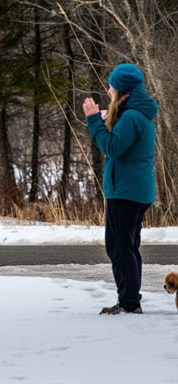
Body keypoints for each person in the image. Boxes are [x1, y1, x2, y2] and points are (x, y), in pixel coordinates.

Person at [82, 63, 158, 314]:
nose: (108, 89)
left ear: (122, 91)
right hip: (135, 190)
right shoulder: (136, 114)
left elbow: (113, 148)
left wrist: (94, 120)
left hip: (126, 192)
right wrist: (107, 119)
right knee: (126, 246)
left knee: (119, 247)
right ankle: (130, 300)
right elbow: (121, 141)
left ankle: (129, 303)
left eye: (112, 86)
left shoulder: (132, 117)